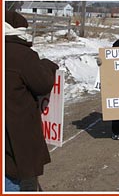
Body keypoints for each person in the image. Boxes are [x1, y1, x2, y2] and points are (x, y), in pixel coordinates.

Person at [5, 11, 59, 191]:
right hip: (14, 135)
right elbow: (42, 84)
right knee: (14, 176)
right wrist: (48, 65)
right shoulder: (21, 55)